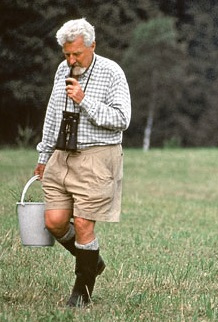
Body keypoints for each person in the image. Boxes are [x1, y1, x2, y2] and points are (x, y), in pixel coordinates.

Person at [34, 18, 131, 307]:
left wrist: (84, 99)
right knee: (54, 222)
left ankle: (82, 292)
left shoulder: (112, 72)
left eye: (77, 53)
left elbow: (121, 120)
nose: (71, 60)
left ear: (92, 46)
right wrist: (44, 155)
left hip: (97, 157)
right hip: (62, 156)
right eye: (67, 54)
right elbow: (53, 113)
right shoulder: (62, 70)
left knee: (84, 224)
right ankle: (91, 260)